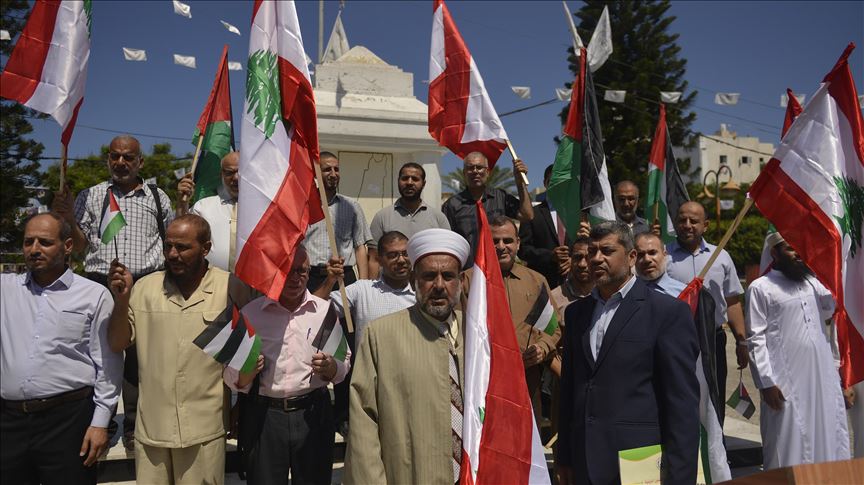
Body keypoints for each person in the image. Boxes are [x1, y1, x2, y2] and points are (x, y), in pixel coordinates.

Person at [52, 134, 174, 450]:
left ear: (140, 162)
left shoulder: (158, 197)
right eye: (114, 156)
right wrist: (68, 218)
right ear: (108, 159)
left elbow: (169, 242)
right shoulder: (91, 195)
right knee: (99, 354)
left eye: (128, 157)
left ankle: (134, 424)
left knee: (139, 358)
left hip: (145, 284)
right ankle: (99, 423)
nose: (120, 162)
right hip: (99, 283)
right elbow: (79, 245)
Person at [558, 221, 699, 485]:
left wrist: (681, 477)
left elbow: (681, 405)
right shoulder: (577, 314)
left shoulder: (666, 313)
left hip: (639, 463)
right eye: (592, 251)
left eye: (607, 251)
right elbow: (569, 390)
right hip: (584, 461)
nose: (596, 259)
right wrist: (564, 455)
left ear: (631, 256)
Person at [107, 215, 229, 485]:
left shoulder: (228, 287)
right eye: (168, 246)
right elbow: (117, 343)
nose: (173, 254)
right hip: (152, 431)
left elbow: (245, 360)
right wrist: (121, 300)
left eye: (182, 247)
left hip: (204, 432)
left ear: (206, 248)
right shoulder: (143, 288)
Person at [1, 213, 122, 484]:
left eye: (44, 242)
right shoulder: (6, 290)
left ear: (67, 246)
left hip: (68, 422)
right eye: (28, 242)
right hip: (9, 425)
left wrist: (100, 422)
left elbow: (108, 364)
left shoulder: (94, 295)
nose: (34, 249)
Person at [344, 228, 470, 484]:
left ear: (460, 281)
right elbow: (363, 421)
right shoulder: (381, 335)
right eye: (428, 276)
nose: (438, 286)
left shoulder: (480, 335)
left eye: (448, 276)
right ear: (414, 281)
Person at [224, 244, 350, 485]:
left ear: (309, 272)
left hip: (313, 414)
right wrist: (246, 374)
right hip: (265, 418)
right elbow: (230, 375)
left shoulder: (324, 311)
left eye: (301, 271)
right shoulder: (251, 314)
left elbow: (344, 363)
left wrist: (331, 368)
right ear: (275, 272)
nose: (295, 278)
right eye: (287, 270)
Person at [746, 234, 850, 469]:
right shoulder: (760, 288)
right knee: (788, 439)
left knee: (827, 431)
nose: (798, 253)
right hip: (785, 381)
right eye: (790, 249)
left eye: (800, 248)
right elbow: (755, 339)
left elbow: (830, 306)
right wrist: (766, 383)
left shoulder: (811, 282)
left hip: (821, 378)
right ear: (774, 253)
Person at [465, 215, 560, 419]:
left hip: (527, 379)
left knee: (528, 435)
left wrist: (542, 348)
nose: (501, 246)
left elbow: (553, 326)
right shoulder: (468, 281)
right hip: (484, 381)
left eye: (507, 240)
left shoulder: (536, 281)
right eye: (494, 241)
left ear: (518, 243)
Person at [665, 201, 747, 422]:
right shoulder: (663, 256)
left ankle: (715, 442)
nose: (687, 225)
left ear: (706, 225)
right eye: (682, 220)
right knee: (678, 397)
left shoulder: (721, 257)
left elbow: (732, 302)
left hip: (713, 341)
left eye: (694, 221)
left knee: (714, 397)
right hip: (676, 341)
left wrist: (742, 341)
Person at [314, 231, 416, 346]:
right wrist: (330, 280)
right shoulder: (362, 291)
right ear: (379, 260)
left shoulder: (422, 295)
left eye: (406, 254)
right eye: (393, 255)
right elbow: (314, 309)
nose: (401, 260)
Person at [442, 151, 534, 263]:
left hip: (498, 267)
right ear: (464, 173)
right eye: (470, 168)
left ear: (488, 172)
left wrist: (520, 183)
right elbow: (447, 242)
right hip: (469, 269)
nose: (475, 171)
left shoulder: (501, 197)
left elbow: (527, 215)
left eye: (479, 167)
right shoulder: (452, 205)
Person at [305, 152, 373, 291]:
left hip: (344, 278)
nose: (333, 174)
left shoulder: (352, 206)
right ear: (316, 174)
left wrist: (363, 285)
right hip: (312, 278)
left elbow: (360, 247)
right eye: (327, 169)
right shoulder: (303, 206)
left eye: (336, 169)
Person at [368, 163, 450, 277]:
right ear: (398, 181)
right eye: (405, 178)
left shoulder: (439, 218)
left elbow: (447, 258)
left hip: (427, 284)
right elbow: (373, 259)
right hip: (390, 286)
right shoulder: (382, 217)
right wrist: (371, 286)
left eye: (415, 179)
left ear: (423, 183)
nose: (409, 182)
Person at [176, 151, 239, 271]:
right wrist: (182, 203)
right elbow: (181, 236)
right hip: (212, 280)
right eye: (229, 172)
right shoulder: (203, 207)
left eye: (240, 172)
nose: (235, 178)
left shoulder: (264, 208)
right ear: (221, 174)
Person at [518, 164, 571, 289]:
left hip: (574, 283)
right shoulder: (532, 214)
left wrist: (574, 260)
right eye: (553, 181)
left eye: (561, 181)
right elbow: (523, 250)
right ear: (545, 183)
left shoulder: (577, 213)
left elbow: (586, 244)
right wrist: (550, 255)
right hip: (543, 284)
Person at [634, 232, 686, 297]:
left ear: (665, 254)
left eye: (652, 253)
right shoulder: (626, 294)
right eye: (640, 255)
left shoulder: (683, 293)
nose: (647, 259)